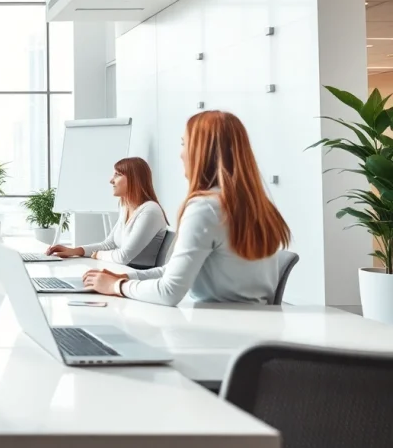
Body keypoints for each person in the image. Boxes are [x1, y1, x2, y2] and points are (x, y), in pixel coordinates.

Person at [82, 111, 291, 306]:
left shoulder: (205, 208)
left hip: (220, 333)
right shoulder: (256, 204)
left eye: (184, 144)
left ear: (201, 152)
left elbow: (169, 292)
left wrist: (116, 287)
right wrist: (128, 277)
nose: (181, 155)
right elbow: (173, 272)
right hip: (255, 326)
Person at [45, 157, 169, 266]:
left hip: (138, 277)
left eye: (117, 174)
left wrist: (98, 255)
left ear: (134, 179)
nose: (111, 180)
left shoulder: (150, 211)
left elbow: (123, 257)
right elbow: (108, 245)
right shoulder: (126, 208)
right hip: (122, 271)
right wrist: (74, 251)